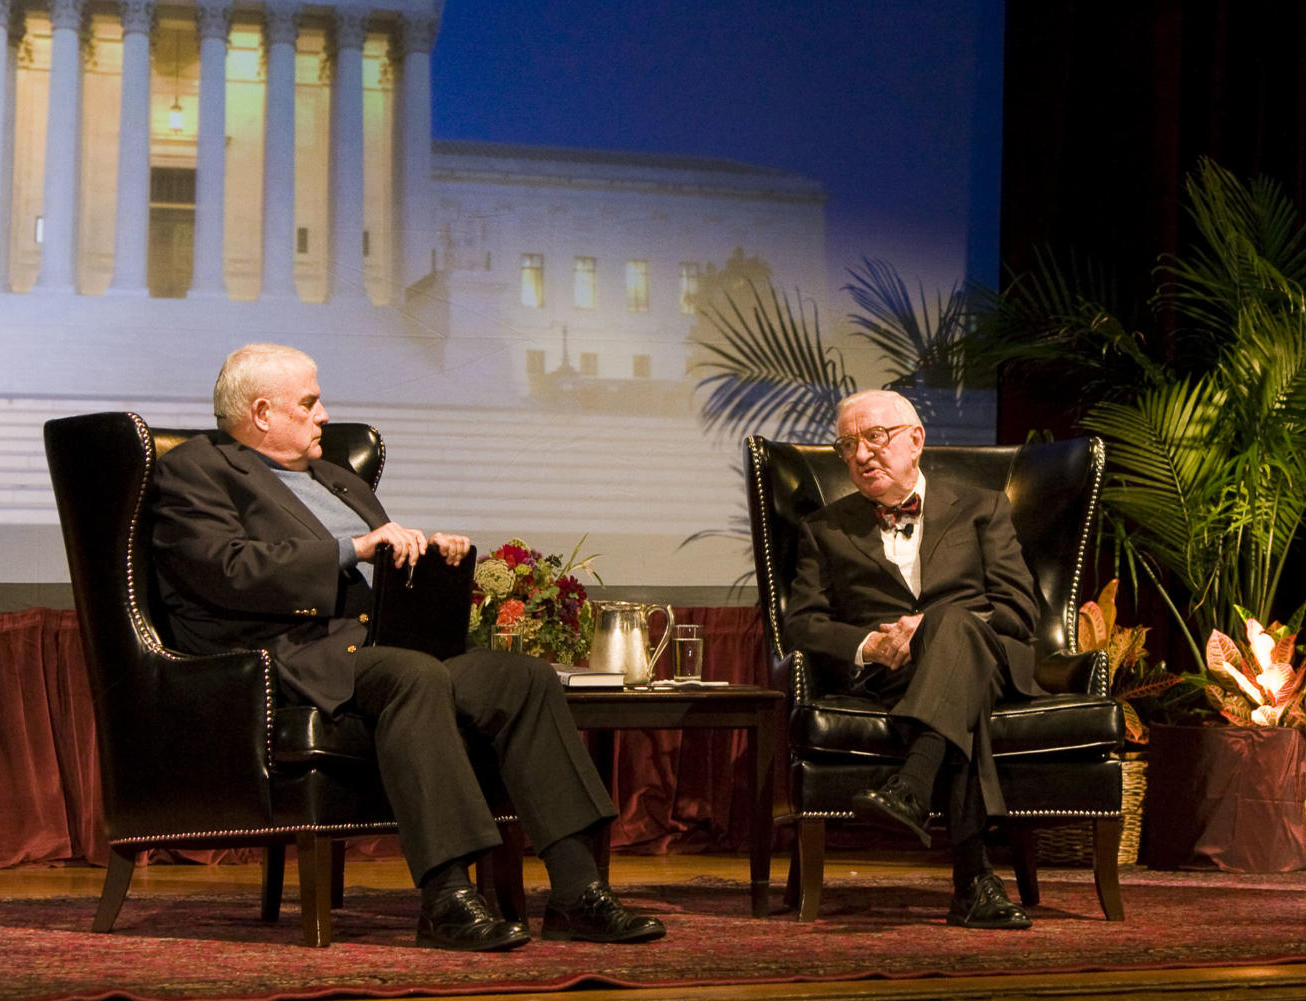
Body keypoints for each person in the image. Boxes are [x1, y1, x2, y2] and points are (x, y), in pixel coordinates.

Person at [151, 343, 666, 951]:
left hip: (379, 647)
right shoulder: (197, 469)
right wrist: (355, 548)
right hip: (288, 658)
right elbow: (224, 569)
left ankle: (580, 892)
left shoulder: (337, 479)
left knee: (521, 678)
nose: (323, 416)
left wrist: (432, 560)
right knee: (413, 676)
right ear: (262, 413)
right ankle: (447, 899)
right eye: (310, 403)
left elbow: (381, 575)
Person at [782, 389, 1043, 930]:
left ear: (915, 440)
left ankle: (912, 786)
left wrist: (934, 626)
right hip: (891, 677)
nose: (860, 455)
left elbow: (1019, 612)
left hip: (992, 661)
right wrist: (867, 645)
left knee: (949, 621)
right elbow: (803, 623)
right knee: (959, 699)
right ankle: (974, 882)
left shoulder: (982, 508)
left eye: (875, 437)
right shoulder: (824, 529)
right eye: (847, 445)